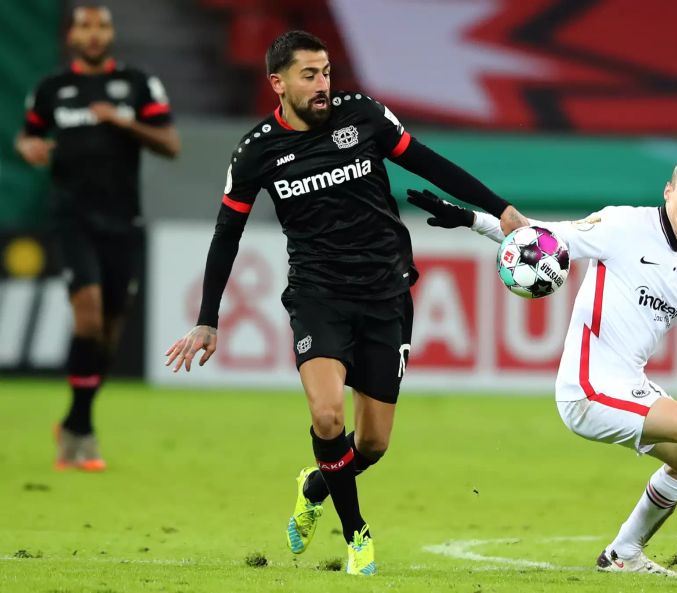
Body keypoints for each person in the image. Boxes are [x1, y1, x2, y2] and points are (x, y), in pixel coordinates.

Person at [163, 30, 526, 576]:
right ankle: (357, 534)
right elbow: (226, 235)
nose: (323, 84)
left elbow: (428, 163)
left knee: (374, 444)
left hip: (386, 292)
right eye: (309, 75)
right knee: (327, 414)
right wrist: (207, 319)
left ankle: (316, 484)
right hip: (318, 295)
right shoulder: (257, 150)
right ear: (277, 83)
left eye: (327, 71)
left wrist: (502, 211)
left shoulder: (364, 117)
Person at [406, 155, 677, 580]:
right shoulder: (622, 227)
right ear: (668, 192)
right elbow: (541, 237)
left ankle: (624, 552)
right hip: (586, 389)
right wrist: (471, 218)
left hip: (629, 387)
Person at [16, 5, 180, 471]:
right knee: (87, 320)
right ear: (72, 34)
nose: (93, 34)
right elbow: (28, 138)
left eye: (101, 25)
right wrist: (30, 148)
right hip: (73, 220)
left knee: (109, 331)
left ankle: (74, 420)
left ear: (110, 33)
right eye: (85, 25)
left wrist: (122, 121)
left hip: (122, 222)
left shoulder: (137, 84)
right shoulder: (51, 89)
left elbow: (171, 144)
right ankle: (82, 435)